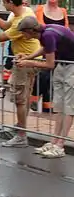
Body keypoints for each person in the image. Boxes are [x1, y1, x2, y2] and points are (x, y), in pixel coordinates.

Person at [0, 0, 41, 147]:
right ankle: (20, 127)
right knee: (24, 96)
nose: (3, 5)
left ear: (10, 2)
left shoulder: (20, 19)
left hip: (24, 62)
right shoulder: (22, 12)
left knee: (19, 98)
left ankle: (21, 135)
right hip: (31, 60)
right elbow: (5, 26)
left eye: (4, 2)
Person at [16, 16, 74, 158]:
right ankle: (54, 141)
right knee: (59, 106)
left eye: (23, 33)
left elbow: (49, 64)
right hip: (63, 64)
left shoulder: (48, 34)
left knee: (69, 106)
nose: (23, 36)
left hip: (71, 66)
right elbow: (46, 50)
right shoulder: (44, 32)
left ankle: (61, 145)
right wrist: (28, 57)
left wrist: (29, 63)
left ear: (30, 31)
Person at [30, 0, 69, 113]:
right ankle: (34, 98)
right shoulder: (39, 9)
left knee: (53, 78)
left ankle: (48, 107)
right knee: (44, 74)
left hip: (59, 50)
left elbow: (65, 29)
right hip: (44, 47)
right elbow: (35, 28)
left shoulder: (63, 11)